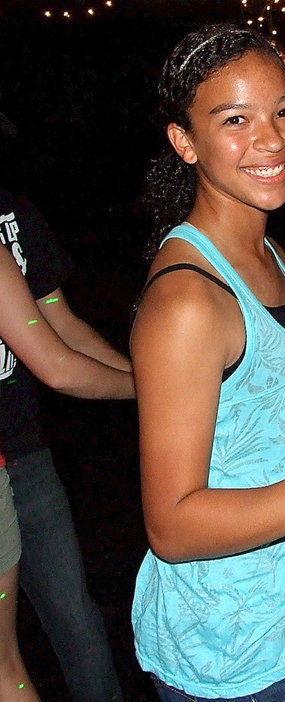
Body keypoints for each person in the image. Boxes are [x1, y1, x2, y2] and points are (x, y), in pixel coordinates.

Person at [130, 23, 285, 702]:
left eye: (284, 111)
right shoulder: (188, 303)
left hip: (283, 616)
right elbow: (172, 525)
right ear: (184, 140)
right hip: (228, 650)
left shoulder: (267, 254)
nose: (272, 139)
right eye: (235, 120)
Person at [1, 112, 134, 701]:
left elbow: (63, 326)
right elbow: (54, 364)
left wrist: (149, 379)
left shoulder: (16, 216)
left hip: (23, 456)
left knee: (75, 620)